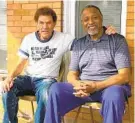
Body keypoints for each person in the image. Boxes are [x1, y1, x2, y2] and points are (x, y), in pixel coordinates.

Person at [2, 6, 116, 123]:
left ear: (54, 23)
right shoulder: (28, 39)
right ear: (37, 23)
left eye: (48, 23)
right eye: (41, 23)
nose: (45, 27)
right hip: (28, 78)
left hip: (46, 81)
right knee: (7, 89)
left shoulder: (63, 39)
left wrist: (104, 30)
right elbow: (21, 63)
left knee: (47, 94)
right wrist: (9, 78)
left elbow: (86, 42)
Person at [44, 5, 131, 123]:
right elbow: (72, 74)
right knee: (55, 89)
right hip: (84, 87)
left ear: (101, 18)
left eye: (95, 17)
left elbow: (124, 76)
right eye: (86, 19)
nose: (90, 22)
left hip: (108, 87)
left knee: (114, 94)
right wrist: (78, 84)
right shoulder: (79, 44)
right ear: (82, 23)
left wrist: (95, 86)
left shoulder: (117, 40)